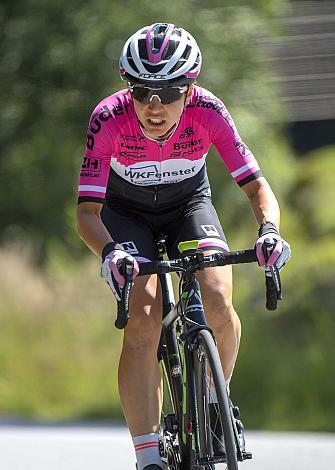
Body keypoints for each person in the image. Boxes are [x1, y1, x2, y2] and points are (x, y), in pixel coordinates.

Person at [76, 23, 291, 470]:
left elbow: (256, 188)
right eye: (142, 91)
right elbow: (87, 214)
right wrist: (111, 252)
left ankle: (215, 400)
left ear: (190, 88)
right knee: (146, 314)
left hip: (188, 206)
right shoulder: (108, 118)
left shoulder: (209, 110)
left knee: (216, 296)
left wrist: (269, 230)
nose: (155, 106)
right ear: (128, 87)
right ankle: (148, 455)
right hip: (126, 215)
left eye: (170, 91)